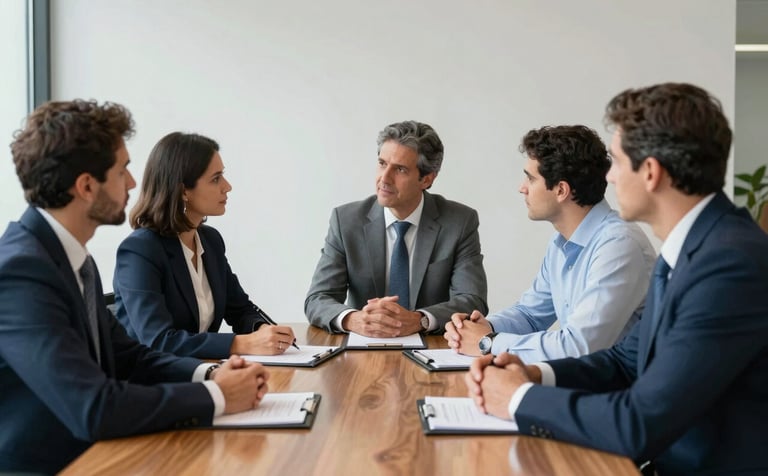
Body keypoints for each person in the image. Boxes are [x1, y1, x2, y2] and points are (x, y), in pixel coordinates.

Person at [466, 83, 768, 475]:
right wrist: (535, 374)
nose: (606, 177)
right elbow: (626, 362)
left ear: (651, 173)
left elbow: (639, 422)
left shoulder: (729, 265)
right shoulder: (692, 247)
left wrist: (519, 399)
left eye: (617, 163)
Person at [0, 100, 270, 473]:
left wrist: (210, 374)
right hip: (57, 465)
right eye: (123, 169)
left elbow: (132, 357)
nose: (132, 182)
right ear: (86, 186)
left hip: (102, 452)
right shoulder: (21, 272)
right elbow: (93, 407)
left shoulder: (72, 259)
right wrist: (217, 395)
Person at [444, 125, 656, 360]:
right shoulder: (561, 242)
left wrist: (488, 342)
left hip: (617, 390)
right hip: (582, 381)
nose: (521, 188)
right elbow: (530, 315)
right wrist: (479, 327)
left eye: (530, 179)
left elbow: (579, 346)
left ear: (561, 190)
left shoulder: (619, 246)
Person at [113, 132, 296, 359]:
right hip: (151, 384)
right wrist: (243, 343)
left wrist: (263, 330)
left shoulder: (210, 241)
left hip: (200, 372)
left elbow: (240, 309)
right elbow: (159, 341)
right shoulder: (140, 250)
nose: (227, 187)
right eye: (216, 178)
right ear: (183, 191)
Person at [305, 120, 488, 337]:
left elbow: (472, 300)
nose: (384, 178)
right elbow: (318, 298)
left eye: (400, 169)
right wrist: (355, 319)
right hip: (363, 348)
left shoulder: (459, 222)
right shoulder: (346, 221)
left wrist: (419, 320)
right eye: (382, 164)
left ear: (427, 179)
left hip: (432, 348)